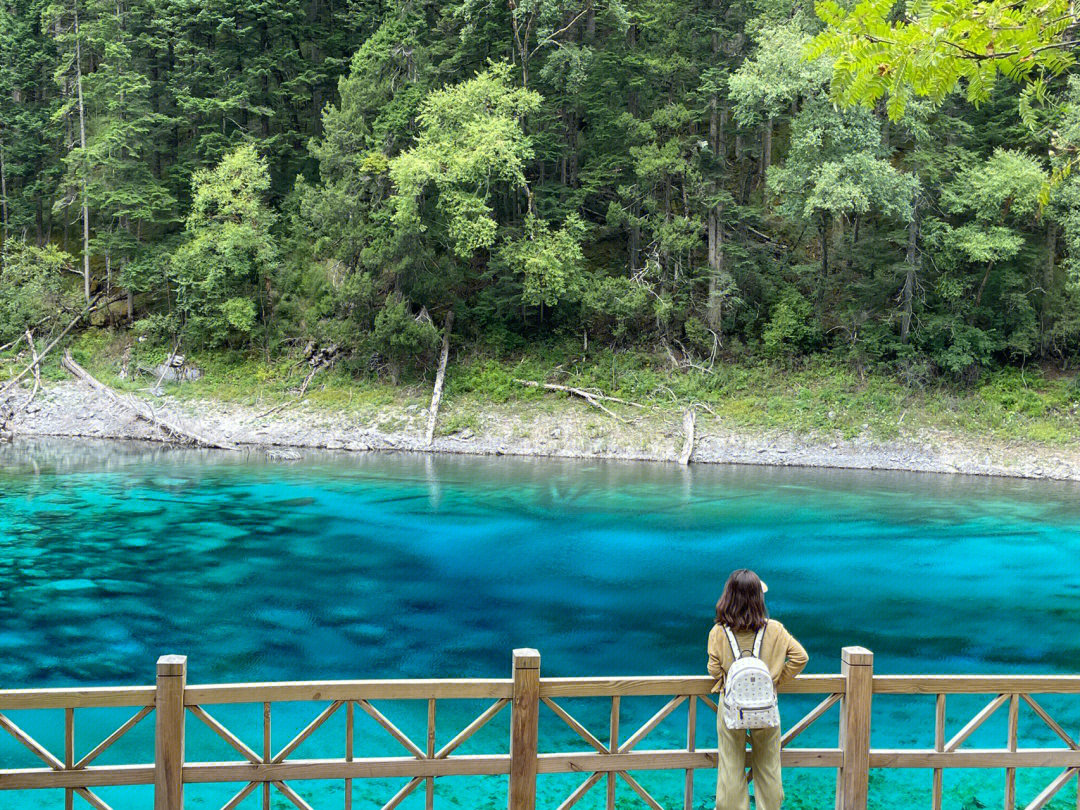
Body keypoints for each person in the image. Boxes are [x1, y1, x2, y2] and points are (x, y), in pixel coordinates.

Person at [708, 569, 808, 810]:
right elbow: (800, 658)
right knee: (768, 765)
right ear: (758, 599)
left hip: (731, 707)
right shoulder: (775, 629)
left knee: (731, 764)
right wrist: (775, 681)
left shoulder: (718, 632)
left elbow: (713, 670)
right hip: (766, 705)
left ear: (727, 598)